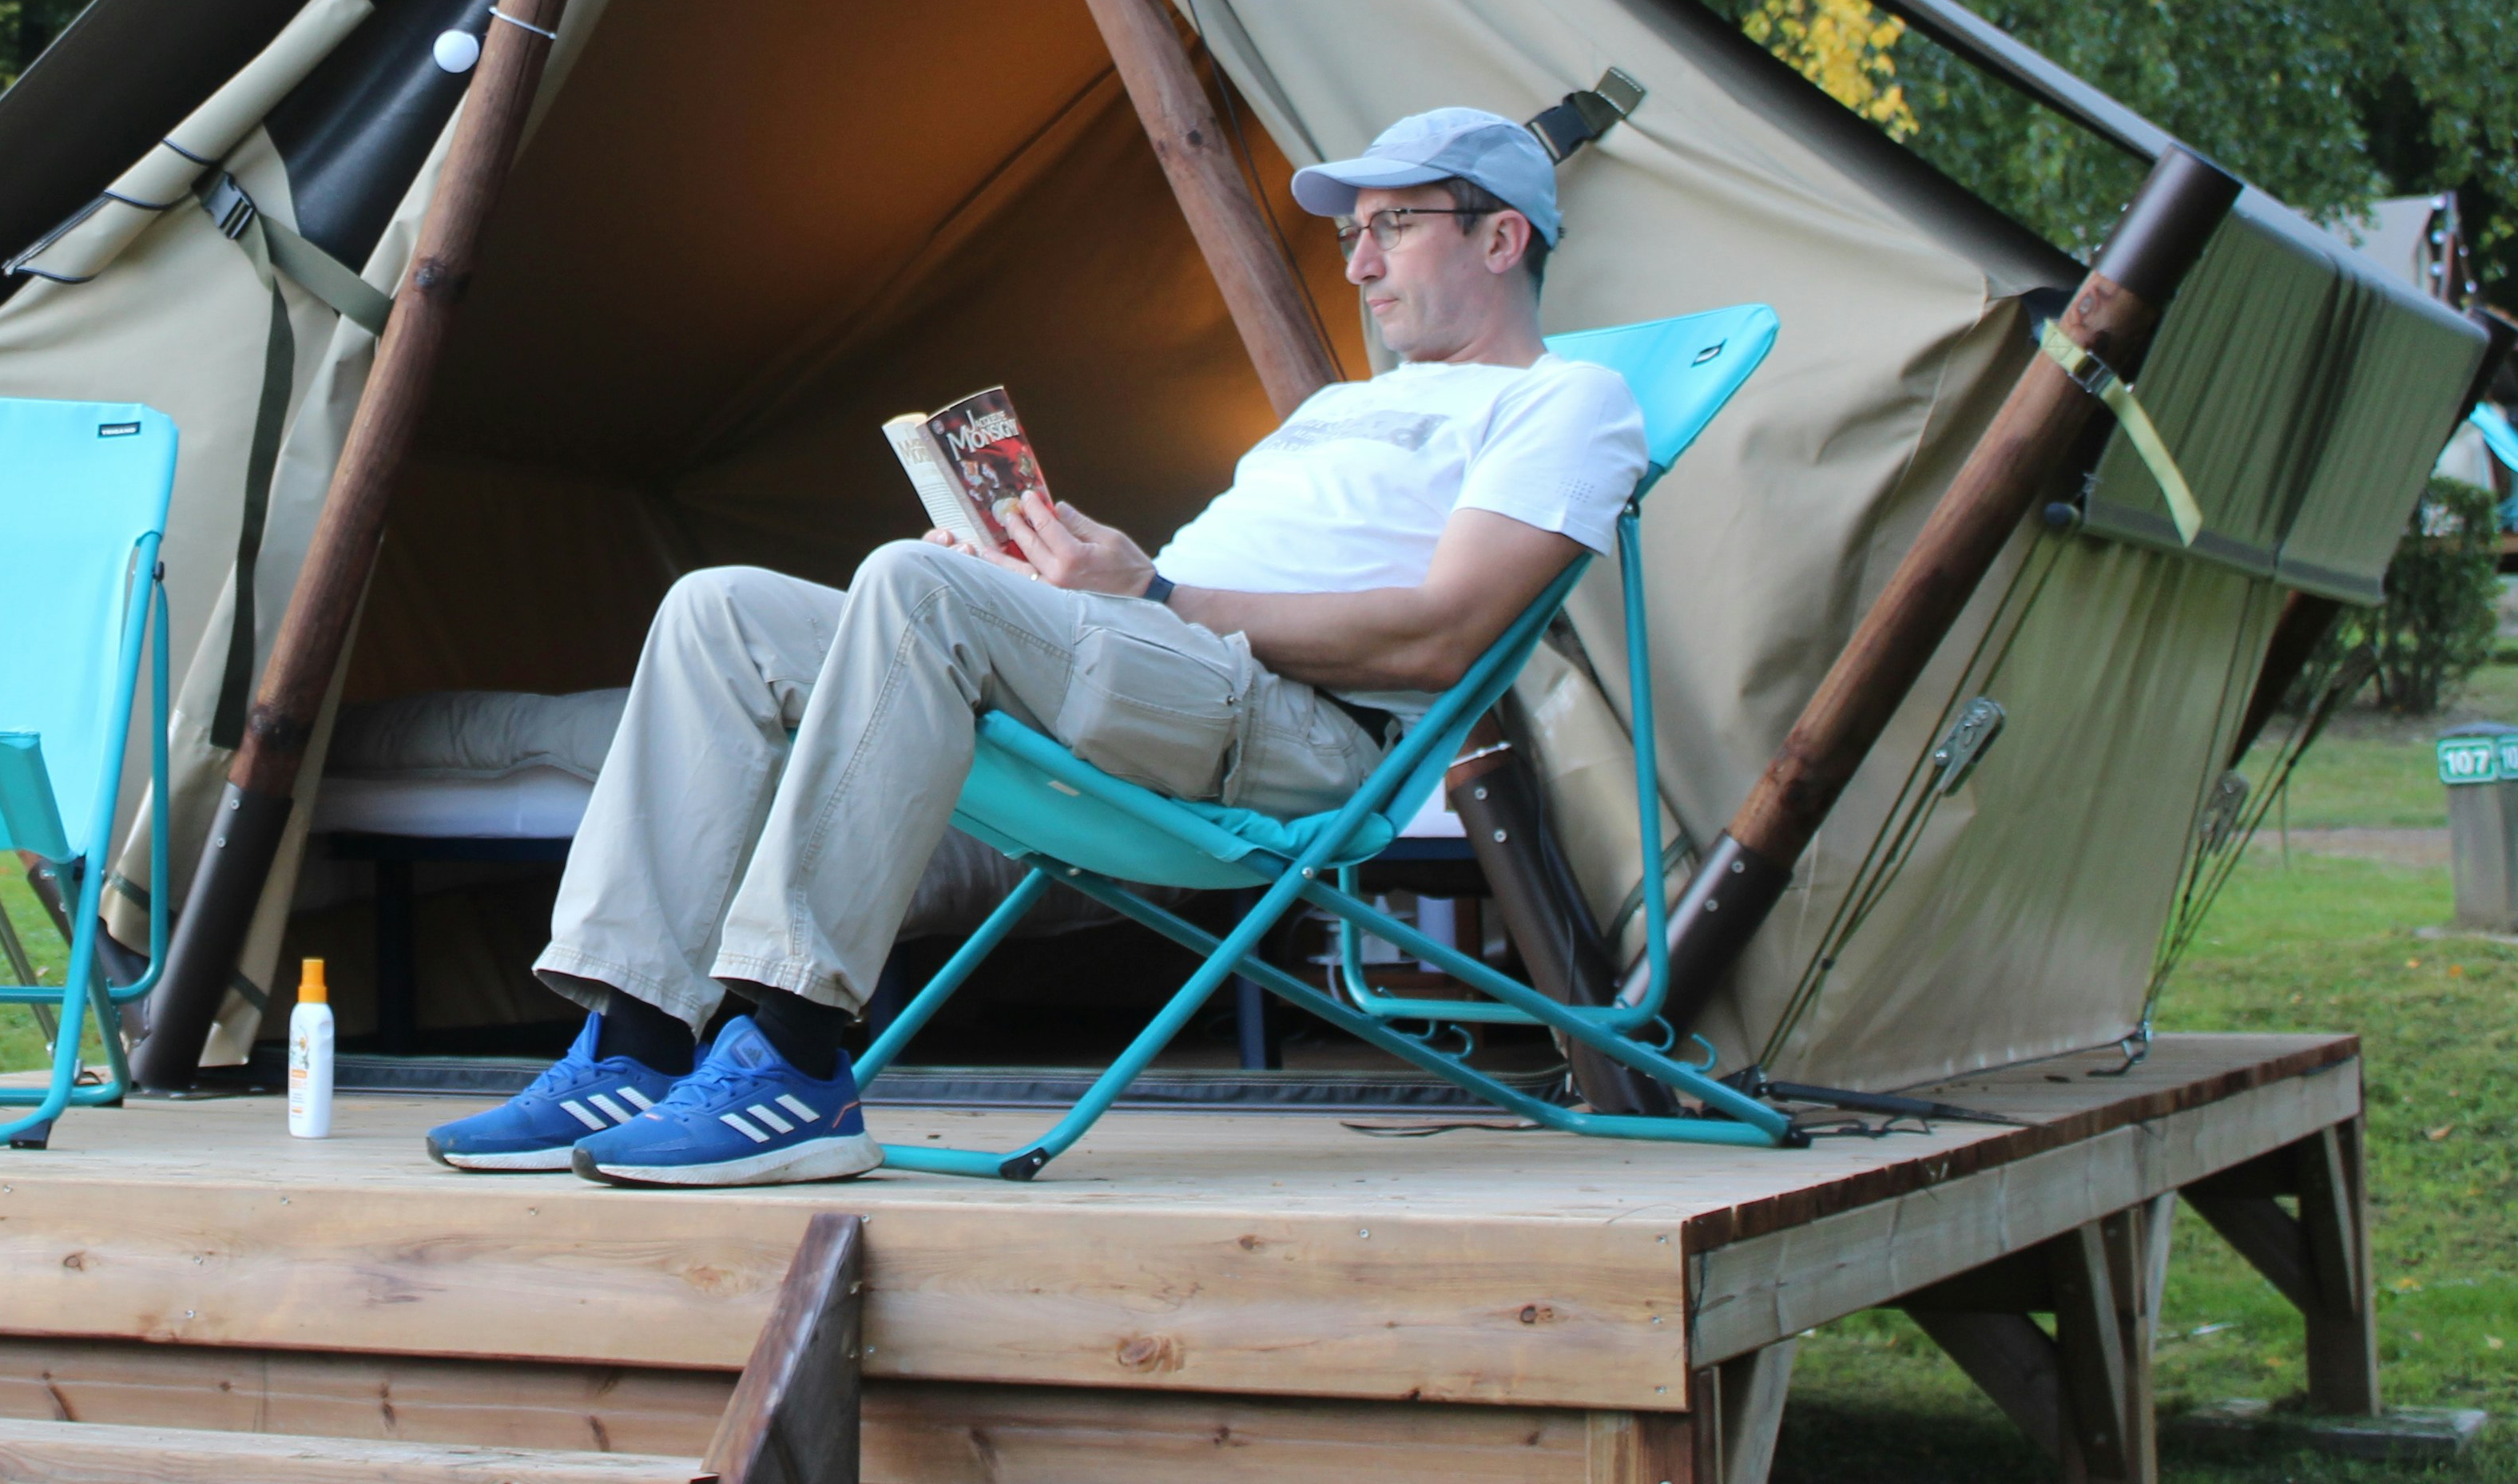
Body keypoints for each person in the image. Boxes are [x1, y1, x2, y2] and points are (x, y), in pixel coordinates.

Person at [426, 105, 1647, 1186]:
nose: (1361, 261)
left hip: (1297, 730)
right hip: (1167, 670)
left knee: (910, 588)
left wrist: (1154, 591)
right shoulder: (1340, 410)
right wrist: (1043, 585)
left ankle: (792, 1058)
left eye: (1397, 226)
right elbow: (1160, 609)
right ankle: (637, 1041)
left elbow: (1446, 639)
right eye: (1352, 235)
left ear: (1502, 240)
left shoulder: (1564, 403)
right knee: (721, 607)